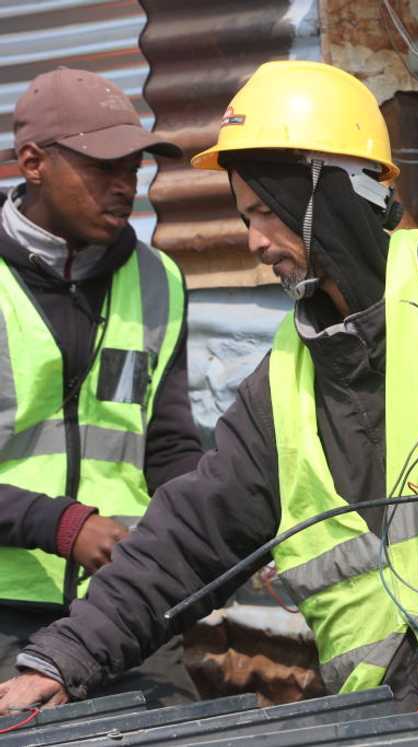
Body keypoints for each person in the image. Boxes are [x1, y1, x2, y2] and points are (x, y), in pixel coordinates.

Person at [0, 61, 418, 718]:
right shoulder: (281, 384)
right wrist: (62, 659)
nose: (255, 242)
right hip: (400, 718)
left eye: (267, 213)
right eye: (245, 219)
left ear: (325, 198)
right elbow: (187, 536)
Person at [0, 68, 201, 706]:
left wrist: (210, 523)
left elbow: (169, 445)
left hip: (123, 605)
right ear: (33, 163)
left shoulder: (158, 279)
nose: (125, 186)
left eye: (133, 169)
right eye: (102, 167)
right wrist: (62, 525)